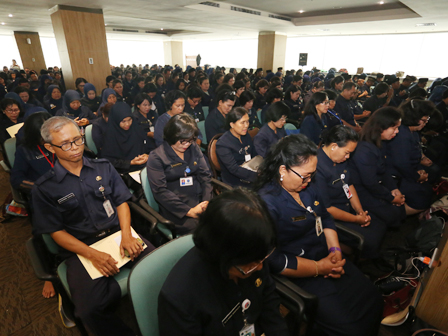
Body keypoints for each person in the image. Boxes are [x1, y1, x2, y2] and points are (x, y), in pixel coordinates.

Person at [31, 116, 154, 336]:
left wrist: (126, 235)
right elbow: (57, 233)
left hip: (118, 234)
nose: (76, 148)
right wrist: (93, 254)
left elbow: (121, 202)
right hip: (82, 247)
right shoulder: (44, 189)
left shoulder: (103, 166)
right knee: (89, 309)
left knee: (160, 268)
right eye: (66, 144)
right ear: (50, 147)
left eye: (78, 140)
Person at [255, 134, 383, 336]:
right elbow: (274, 260)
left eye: (311, 176)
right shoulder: (267, 204)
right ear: (282, 170)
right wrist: (318, 267)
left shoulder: (306, 187)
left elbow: (325, 217)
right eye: (304, 176)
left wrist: (335, 251)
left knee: (373, 299)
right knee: (351, 329)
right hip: (299, 271)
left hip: (326, 256)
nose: (308, 181)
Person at [159, 188, 288, 335]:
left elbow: (269, 302)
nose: (259, 268)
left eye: (261, 260)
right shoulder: (180, 297)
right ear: (222, 256)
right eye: (250, 265)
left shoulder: (252, 253)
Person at [316, 125, 387, 259]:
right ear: (333, 146)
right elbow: (328, 209)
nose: (348, 157)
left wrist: (359, 210)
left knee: (379, 224)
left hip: (347, 208)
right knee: (370, 239)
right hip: (332, 217)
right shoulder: (317, 167)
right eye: (347, 152)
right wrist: (356, 219)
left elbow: (348, 184)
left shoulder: (339, 159)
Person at [147, 114, 212, 235]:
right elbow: (160, 191)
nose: (187, 144)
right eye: (182, 141)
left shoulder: (193, 148)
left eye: (190, 140)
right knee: (203, 231)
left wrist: (206, 201)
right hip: (176, 207)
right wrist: (189, 211)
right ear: (172, 136)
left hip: (199, 200)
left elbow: (205, 176)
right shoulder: (156, 157)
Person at [349, 107, 407, 227]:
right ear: (381, 127)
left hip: (374, 184)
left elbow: (383, 168)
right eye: (394, 128)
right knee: (393, 212)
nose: (397, 132)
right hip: (360, 191)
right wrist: (391, 198)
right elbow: (370, 183)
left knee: (400, 201)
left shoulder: (379, 141)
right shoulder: (364, 149)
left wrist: (393, 188)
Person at [386, 100, 436, 212]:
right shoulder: (401, 134)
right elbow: (401, 164)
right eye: (424, 120)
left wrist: (420, 169)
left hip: (407, 170)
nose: (426, 123)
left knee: (428, 185)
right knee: (422, 197)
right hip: (396, 175)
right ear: (414, 118)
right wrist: (418, 176)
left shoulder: (413, 132)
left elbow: (414, 156)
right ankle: (395, 213)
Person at [101, 102, 149, 175]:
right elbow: (109, 161)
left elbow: (148, 146)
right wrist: (130, 162)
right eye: (123, 121)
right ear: (116, 120)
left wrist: (147, 155)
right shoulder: (110, 135)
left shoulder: (136, 128)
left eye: (129, 120)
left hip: (143, 167)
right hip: (123, 172)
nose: (127, 124)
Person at [216, 107, 258, 187]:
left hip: (251, 171)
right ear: (232, 124)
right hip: (235, 181)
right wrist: (257, 176)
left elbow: (254, 155)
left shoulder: (245, 135)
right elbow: (234, 169)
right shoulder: (223, 144)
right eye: (242, 123)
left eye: (247, 121)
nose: (246, 125)